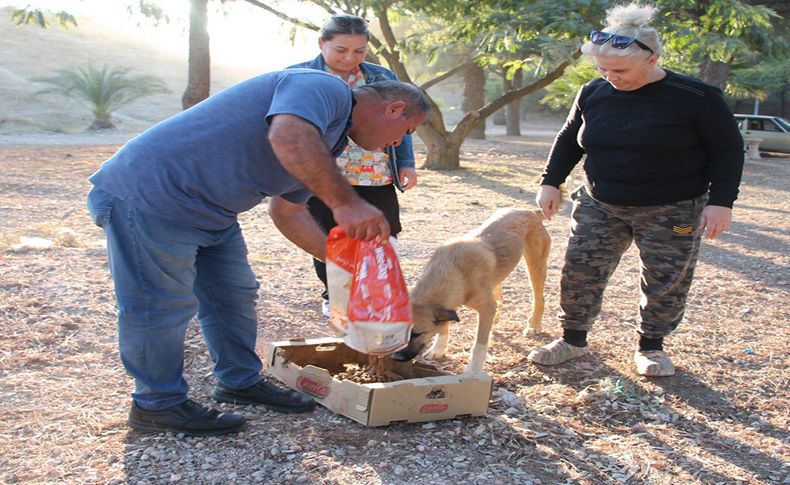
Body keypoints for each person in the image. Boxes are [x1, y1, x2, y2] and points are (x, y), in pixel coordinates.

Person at [86, 68, 430, 436]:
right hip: (151, 197)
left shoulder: (329, 143)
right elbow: (287, 134)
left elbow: (288, 211)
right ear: (394, 109)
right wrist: (346, 203)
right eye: (405, 133)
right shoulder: (323, 87)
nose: (396, 145)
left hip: (214, 215)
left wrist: (345, 267)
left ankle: (239, 382)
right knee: (160, 306)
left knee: (233, 295)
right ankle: (157, 405)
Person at [527, 3, 744, 377]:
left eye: (620, 70)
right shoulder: (593, 91)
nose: (611, 77)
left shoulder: (696, 97)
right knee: (580, 270)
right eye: (602, 68)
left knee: (666, 278)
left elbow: (727, 150)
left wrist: (721, 202)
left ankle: (651, 348)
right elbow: (569, 140)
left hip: (672, 206)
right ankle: (573, 340)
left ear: (653, 58)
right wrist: (551, 181)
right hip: (600, 201)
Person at [288, 14, 418, 318]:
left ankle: (376, 291)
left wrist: (407, 163)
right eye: (341, 50)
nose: (350, 58)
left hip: (375, 174)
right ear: (322, 43)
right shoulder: (299, 75)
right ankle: (333, 292)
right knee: (328, 234)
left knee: (384, 233)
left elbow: (402, 121)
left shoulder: (381, 76)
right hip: (321, 176)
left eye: (359, 51)